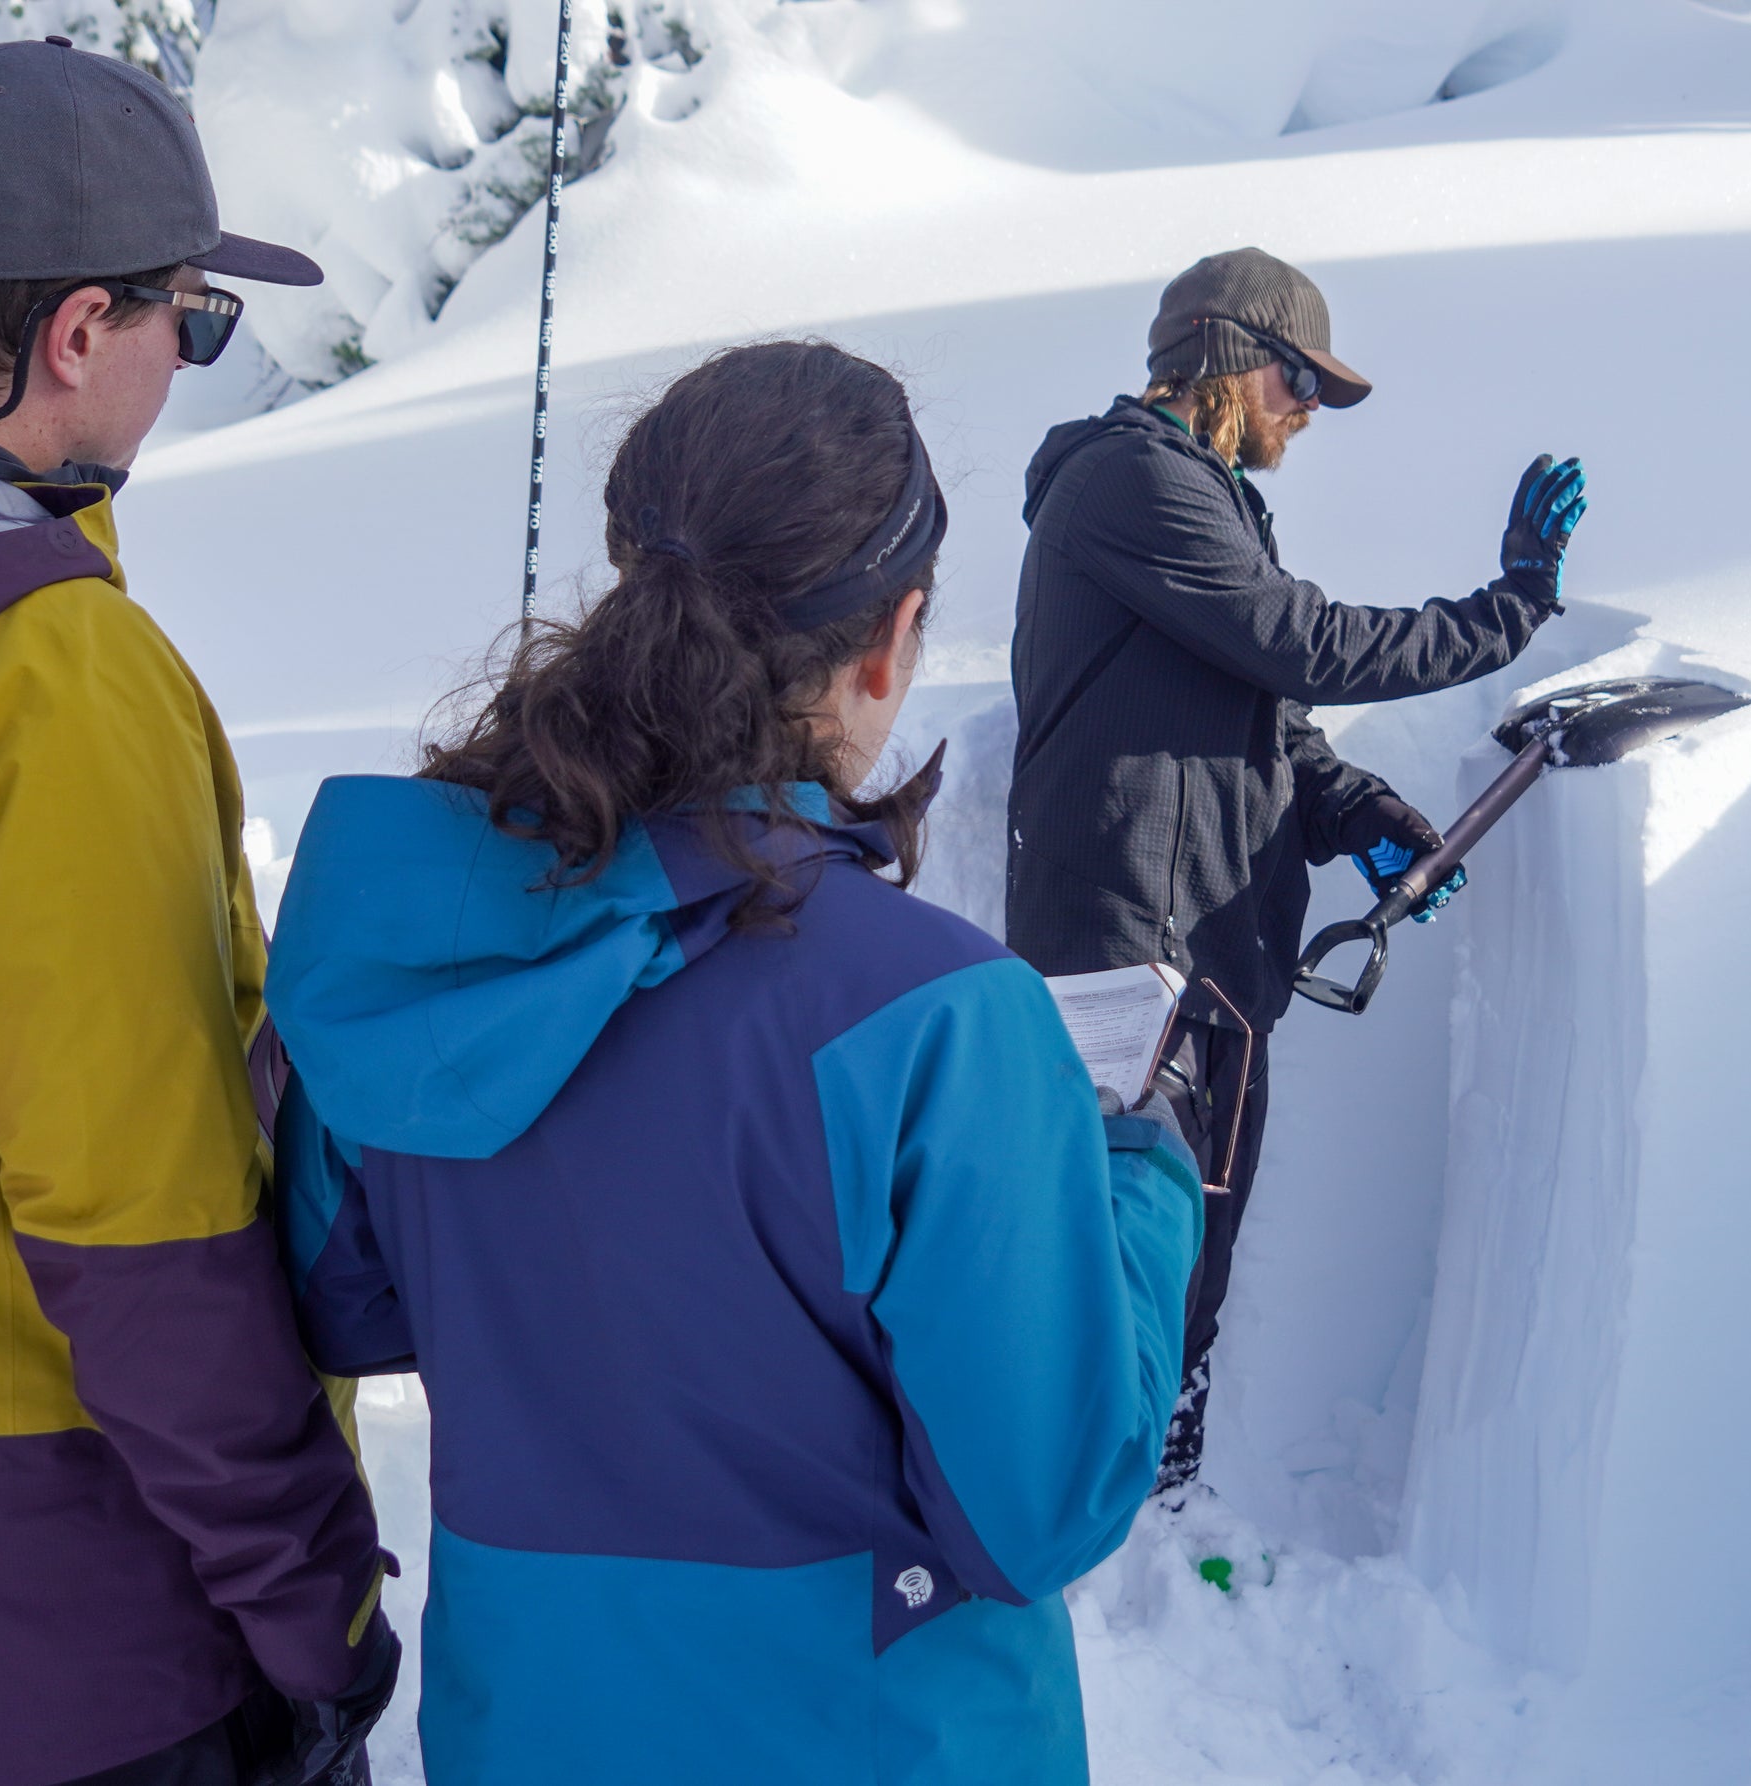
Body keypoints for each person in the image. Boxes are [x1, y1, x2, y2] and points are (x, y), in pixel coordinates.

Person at [261, 341, 1206, 1786]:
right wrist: (1134, 1188)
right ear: (892, 642)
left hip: (529, 1729)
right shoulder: (939, 1020)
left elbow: (346, 1295)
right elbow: (1041, 1505)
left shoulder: (427, 954)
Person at [0, 39, 398, 1786]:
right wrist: (321, 1610)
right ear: (74, 335)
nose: (188, 357)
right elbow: (142, 1236)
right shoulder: (45, 680)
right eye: (191, 318)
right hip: (80, 1641)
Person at [1006, 246, 1588, 1493]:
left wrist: (1360, 813)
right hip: (1127, 948)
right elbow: (1300, 642)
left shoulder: (1201, 499)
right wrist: (1509, 609)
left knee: (1195, 1245)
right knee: (1121, 1244)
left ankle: (1152, 1496)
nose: (1306, 414)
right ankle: (1071, 1509)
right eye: (1296, 383)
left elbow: (1259, 710)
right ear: (1226, 359)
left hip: (1207, 944)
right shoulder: (1129, 482)